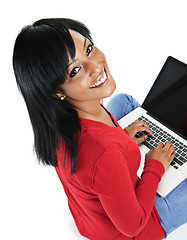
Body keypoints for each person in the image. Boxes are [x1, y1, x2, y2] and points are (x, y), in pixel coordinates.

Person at [13, 18, 187, 240]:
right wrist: (154, 166)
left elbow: (97, 160)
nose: (95, 67)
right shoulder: (102, 152)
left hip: (91, 218)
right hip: (141, 225)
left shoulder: (59, 120)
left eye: (88, 49)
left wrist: (123, 139)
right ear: (56, 91)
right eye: (75, 70)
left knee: (124, 101)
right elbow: (132, 226)